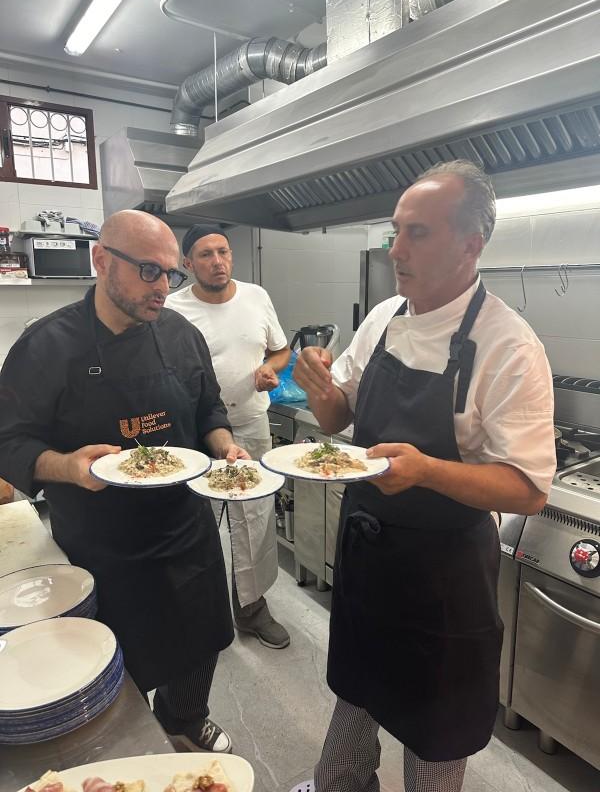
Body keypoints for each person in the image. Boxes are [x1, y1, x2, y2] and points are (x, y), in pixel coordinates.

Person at [293, 160, 556, 792]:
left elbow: (529, 488)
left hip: (442, 584)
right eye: (395, 231)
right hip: (367, 561)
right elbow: (337, 417)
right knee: (352, 708)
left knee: (433, 742)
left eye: (417, 233)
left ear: (471, 245)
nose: (395, 249)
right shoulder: (385, 317)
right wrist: (319, 384)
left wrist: (428, 471)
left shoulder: (508, 345)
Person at [0, 210, 251, 754]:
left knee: (200, 638)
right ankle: (131, 748)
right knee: (114, 658)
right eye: (147, 270)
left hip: (186, 529)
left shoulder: (182, 335)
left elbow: (209, 409)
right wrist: (67, 466)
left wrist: (224, 445)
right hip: (101, 545)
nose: (162, 286)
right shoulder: (46, 346)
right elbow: (9, 441)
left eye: (170, 273)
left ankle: (186, 719)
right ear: (101, 260)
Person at [165, 225, 291, 649]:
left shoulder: (256, 297)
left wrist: (270, 368)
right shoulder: (172, 309)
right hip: (193, 433)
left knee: (254, 520)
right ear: (187, 264)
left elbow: (280, 349)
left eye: (223, 252)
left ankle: (251, 609)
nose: (217, 262)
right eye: (205, 255)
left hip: (251, 424)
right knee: (193, 521)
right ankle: (198, 611)